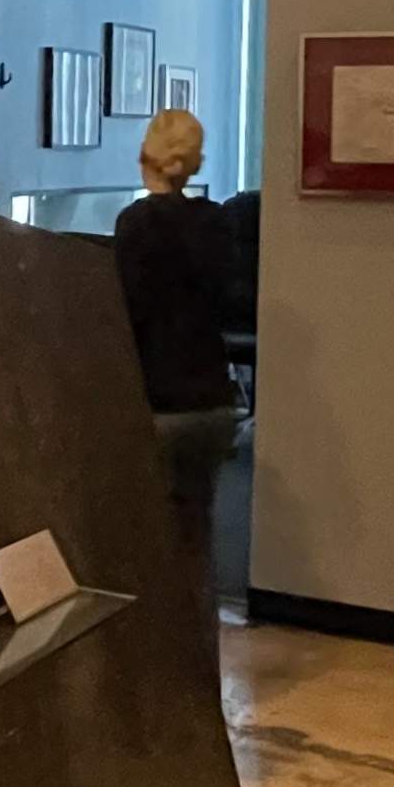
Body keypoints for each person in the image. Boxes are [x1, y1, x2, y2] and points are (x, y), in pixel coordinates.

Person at [111, 108, 243, 568]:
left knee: (147, 543)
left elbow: (127, 310)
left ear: (144, 156)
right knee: (197, 538)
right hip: (212, 400)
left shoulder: (135, 224)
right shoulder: (217, 222)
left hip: (157, 400)